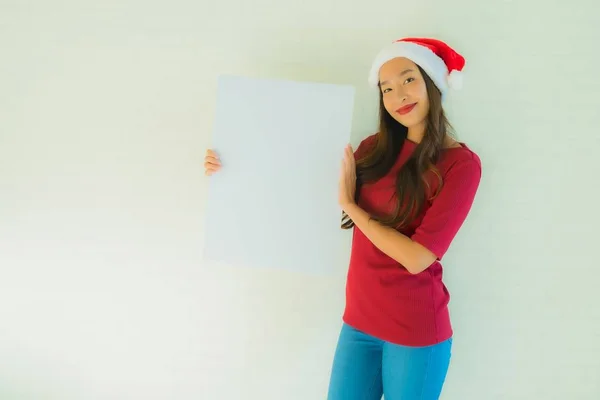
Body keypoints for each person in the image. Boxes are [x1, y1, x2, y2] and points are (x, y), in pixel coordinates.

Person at [204, 37, 482, 400]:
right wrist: (233, 164)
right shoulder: (372, 150)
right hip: (359, 323)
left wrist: (353, 209)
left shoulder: (460, 165)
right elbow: (301, 180)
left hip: (416, 332)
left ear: (432, 82)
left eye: (409, 79)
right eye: (387, 88)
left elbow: (418, 258)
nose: (399, 94)